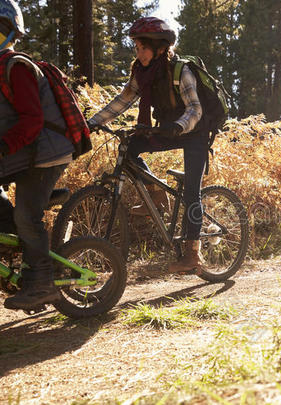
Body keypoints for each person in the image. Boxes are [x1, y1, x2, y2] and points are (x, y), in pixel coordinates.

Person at [87, 17, 207, 273]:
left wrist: (178, 126)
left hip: (194, 130)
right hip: (167, 128)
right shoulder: (142, 73)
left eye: (143, 48)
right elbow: (123, 100)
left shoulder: (180, 71)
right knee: (130, 147)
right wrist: (93, 122)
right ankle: (157, 193)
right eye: (137, 49)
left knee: (191, 192)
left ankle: (192, 254)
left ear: (160, 48)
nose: (139, 53)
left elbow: (195, 109)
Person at [0, 0, 75, 310]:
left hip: (46, 153)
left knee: (27, 215)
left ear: (7, 32)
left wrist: (2, 146)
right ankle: (20, 252)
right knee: (13, 216)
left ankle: (42, 282)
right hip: (21, 153)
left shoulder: (15, 67)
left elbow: (32, 121)